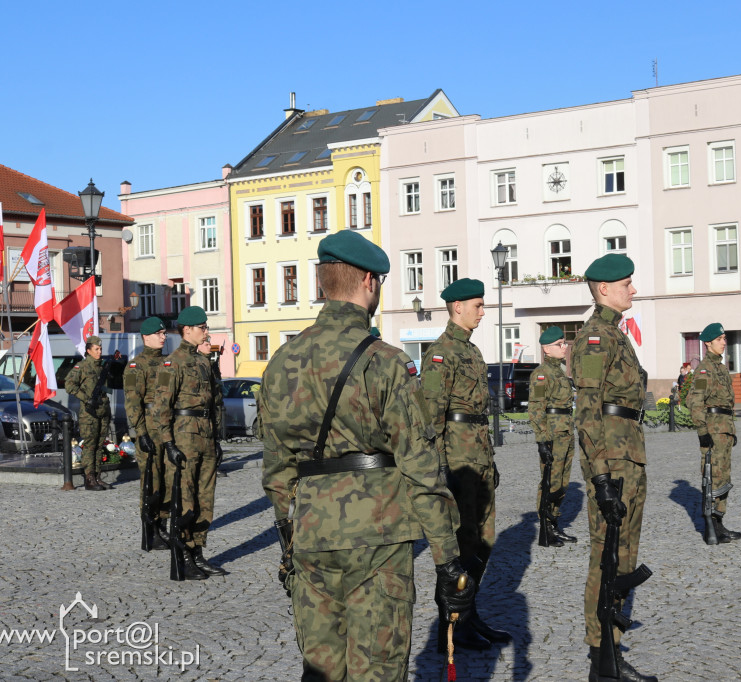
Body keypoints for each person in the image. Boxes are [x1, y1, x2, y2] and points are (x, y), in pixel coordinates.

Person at [260, 231, 473, 680]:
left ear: (322, 284)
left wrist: (290, 541)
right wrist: (447, 559)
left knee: (320, 671)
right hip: (377, 537)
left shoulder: (281, 360)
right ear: (370, 282)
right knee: (376, 670)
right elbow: (420, 465)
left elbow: (277, 469)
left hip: (312, 535)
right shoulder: (385, 361)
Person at [570, 253, 656, 682]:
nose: (633, 289)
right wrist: (601, 477)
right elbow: (586, 413)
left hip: (630, 456)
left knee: (624, 558)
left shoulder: (615, 335)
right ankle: (602, 658)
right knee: (606, 558)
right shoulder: (596, 339)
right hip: (613, 463)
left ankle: (612, 651)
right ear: (604, 289)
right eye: (627, 283)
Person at [420, 278, 511, 652]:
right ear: (457, 307)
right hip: (456, 462)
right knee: (460, 545)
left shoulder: (471, 351)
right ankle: (451, 626)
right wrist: (438, 470)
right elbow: (431, 418)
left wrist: (489, 460)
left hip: (477, 457)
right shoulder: (440, 354)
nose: (483, 311)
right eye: (477, 305)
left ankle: (468, 613)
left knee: (483, 540)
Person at [152, 306, 226, 580]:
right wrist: (168, 443)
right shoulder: (171, 364)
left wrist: (217, 439)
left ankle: (197, 552)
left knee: (205, 499)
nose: (206, 331)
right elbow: (161, 408)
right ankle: (182, 554)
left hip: (205, 436)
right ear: (187, 330)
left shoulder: (203, 362)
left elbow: (213, 403)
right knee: (185, 501)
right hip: (184, 438)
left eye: (205, 327)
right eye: (202, 327)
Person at [687, 322, 741, 543]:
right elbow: (695, 401)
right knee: (713, 476)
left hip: (724, 430)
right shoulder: (704, 369)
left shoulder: (720, 367)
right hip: (713, 430)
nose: (723, 342)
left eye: (724, 339)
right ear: (708, 343)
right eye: (719, 339)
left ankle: (719, 524)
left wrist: (731, 430)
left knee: (723, 477)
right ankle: (710, 526)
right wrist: (702, 431)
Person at [527, 325, 577, 547]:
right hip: (553, 435)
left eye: (564, 343)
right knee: (550, 481)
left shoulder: (560, 371)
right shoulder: (541, 374)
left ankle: (555, 524)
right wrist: (542, 440)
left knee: (562, 482)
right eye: (560, 344)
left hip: (566, 432)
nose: (564, 347)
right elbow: (536, 407)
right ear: (547, 350)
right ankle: (546, 528)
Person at [124, 317, 171, 546]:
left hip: (167, 430)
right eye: (158, 333)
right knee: (151, 481)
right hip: (149, 430)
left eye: (164, 333)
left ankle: (163, 526)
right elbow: (133, 402)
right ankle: (150, 530)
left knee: (168, 480)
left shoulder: (168, 362)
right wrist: (141, 433)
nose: (163, 336)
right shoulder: (136, 366)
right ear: (146, 337)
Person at [66, 336, 112, 491]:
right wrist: (86, 399)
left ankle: (97, 476)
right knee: (90, 445)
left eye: (100, 349)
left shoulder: (102, 367)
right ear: (88, 350)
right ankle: (89, 478)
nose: (100, 352)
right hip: (89, 413)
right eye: (96, 349)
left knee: (100, 444)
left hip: (103, 410)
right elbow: (69, 385)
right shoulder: (82, 367)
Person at [197, 340, 227, 478]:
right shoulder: (198, 363)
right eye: (206, 344)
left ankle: (216, 465)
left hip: (216, 406)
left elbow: (218, 383)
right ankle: (209, 468)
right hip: (207, 407)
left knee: (217, 436)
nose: (210, 346)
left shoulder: (212, 364)